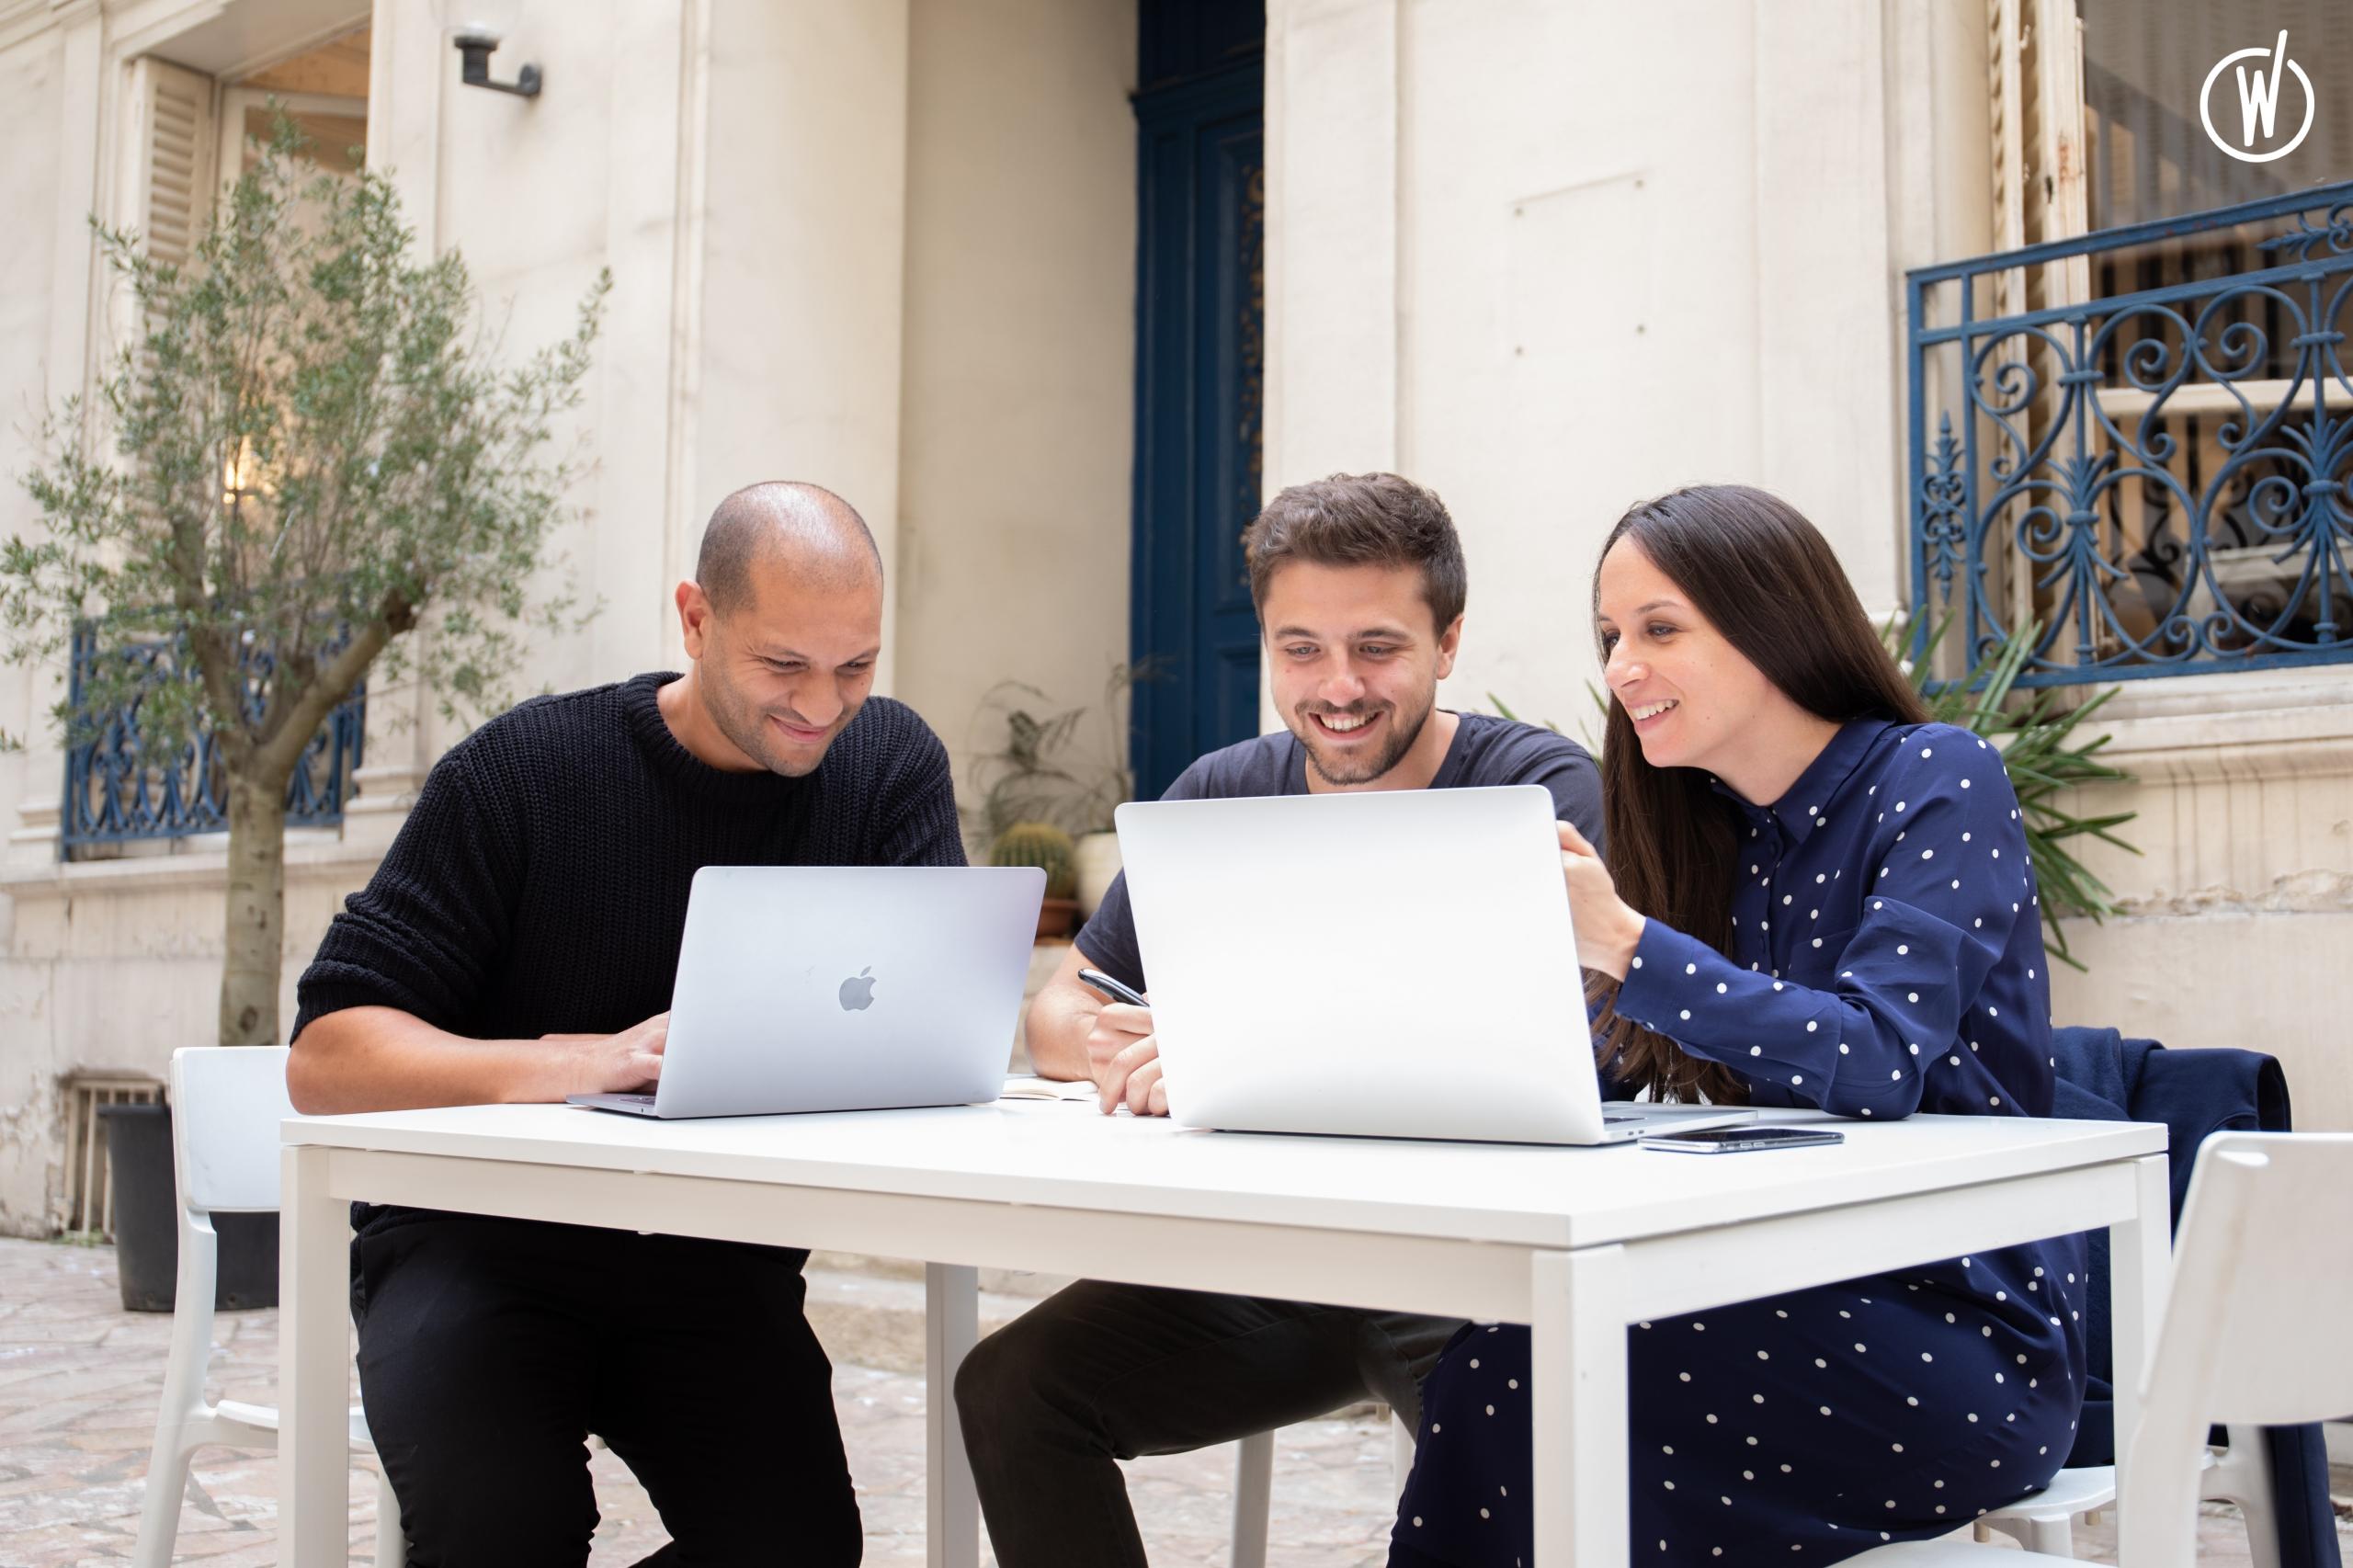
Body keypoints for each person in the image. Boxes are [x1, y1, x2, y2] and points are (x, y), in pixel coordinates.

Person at [1389, 484, 2086, 1567]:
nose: (1620, 669)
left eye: (1660, 629)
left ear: (1774, 624)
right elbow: (1608, 1067)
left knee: (1519, 1376)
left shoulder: (1937, 775)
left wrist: (1625, 943)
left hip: (1953, 1340)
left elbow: (1875, 1056)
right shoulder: (1705, 833)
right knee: (1507, 1356)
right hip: (1753, 1285)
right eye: (1612, 636)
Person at [288, 481, 963, 1567]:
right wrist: (574, 1062)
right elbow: (326, 1054)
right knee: (505, 1528)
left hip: (711, 1268)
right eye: (783, 666)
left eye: (856, 666)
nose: (823, 705)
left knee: (800, 1552)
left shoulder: (887, 769)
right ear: (696, 620)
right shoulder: (523, 774)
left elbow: (928, 1012)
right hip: (474, 1248)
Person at [954, 472, 1606, 1567]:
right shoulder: (1221, 790)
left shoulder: (1536, 786)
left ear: (1448, 643)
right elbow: (1061, 1010)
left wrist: (1224, 1047)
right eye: (1299, 647)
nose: (1336, 686)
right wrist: (1142, 1049)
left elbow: (1566, 1024)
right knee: (1013, 1386)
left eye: (1377, 647)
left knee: (1515, 1473)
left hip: (1473, 1264)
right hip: (1274, 1264)